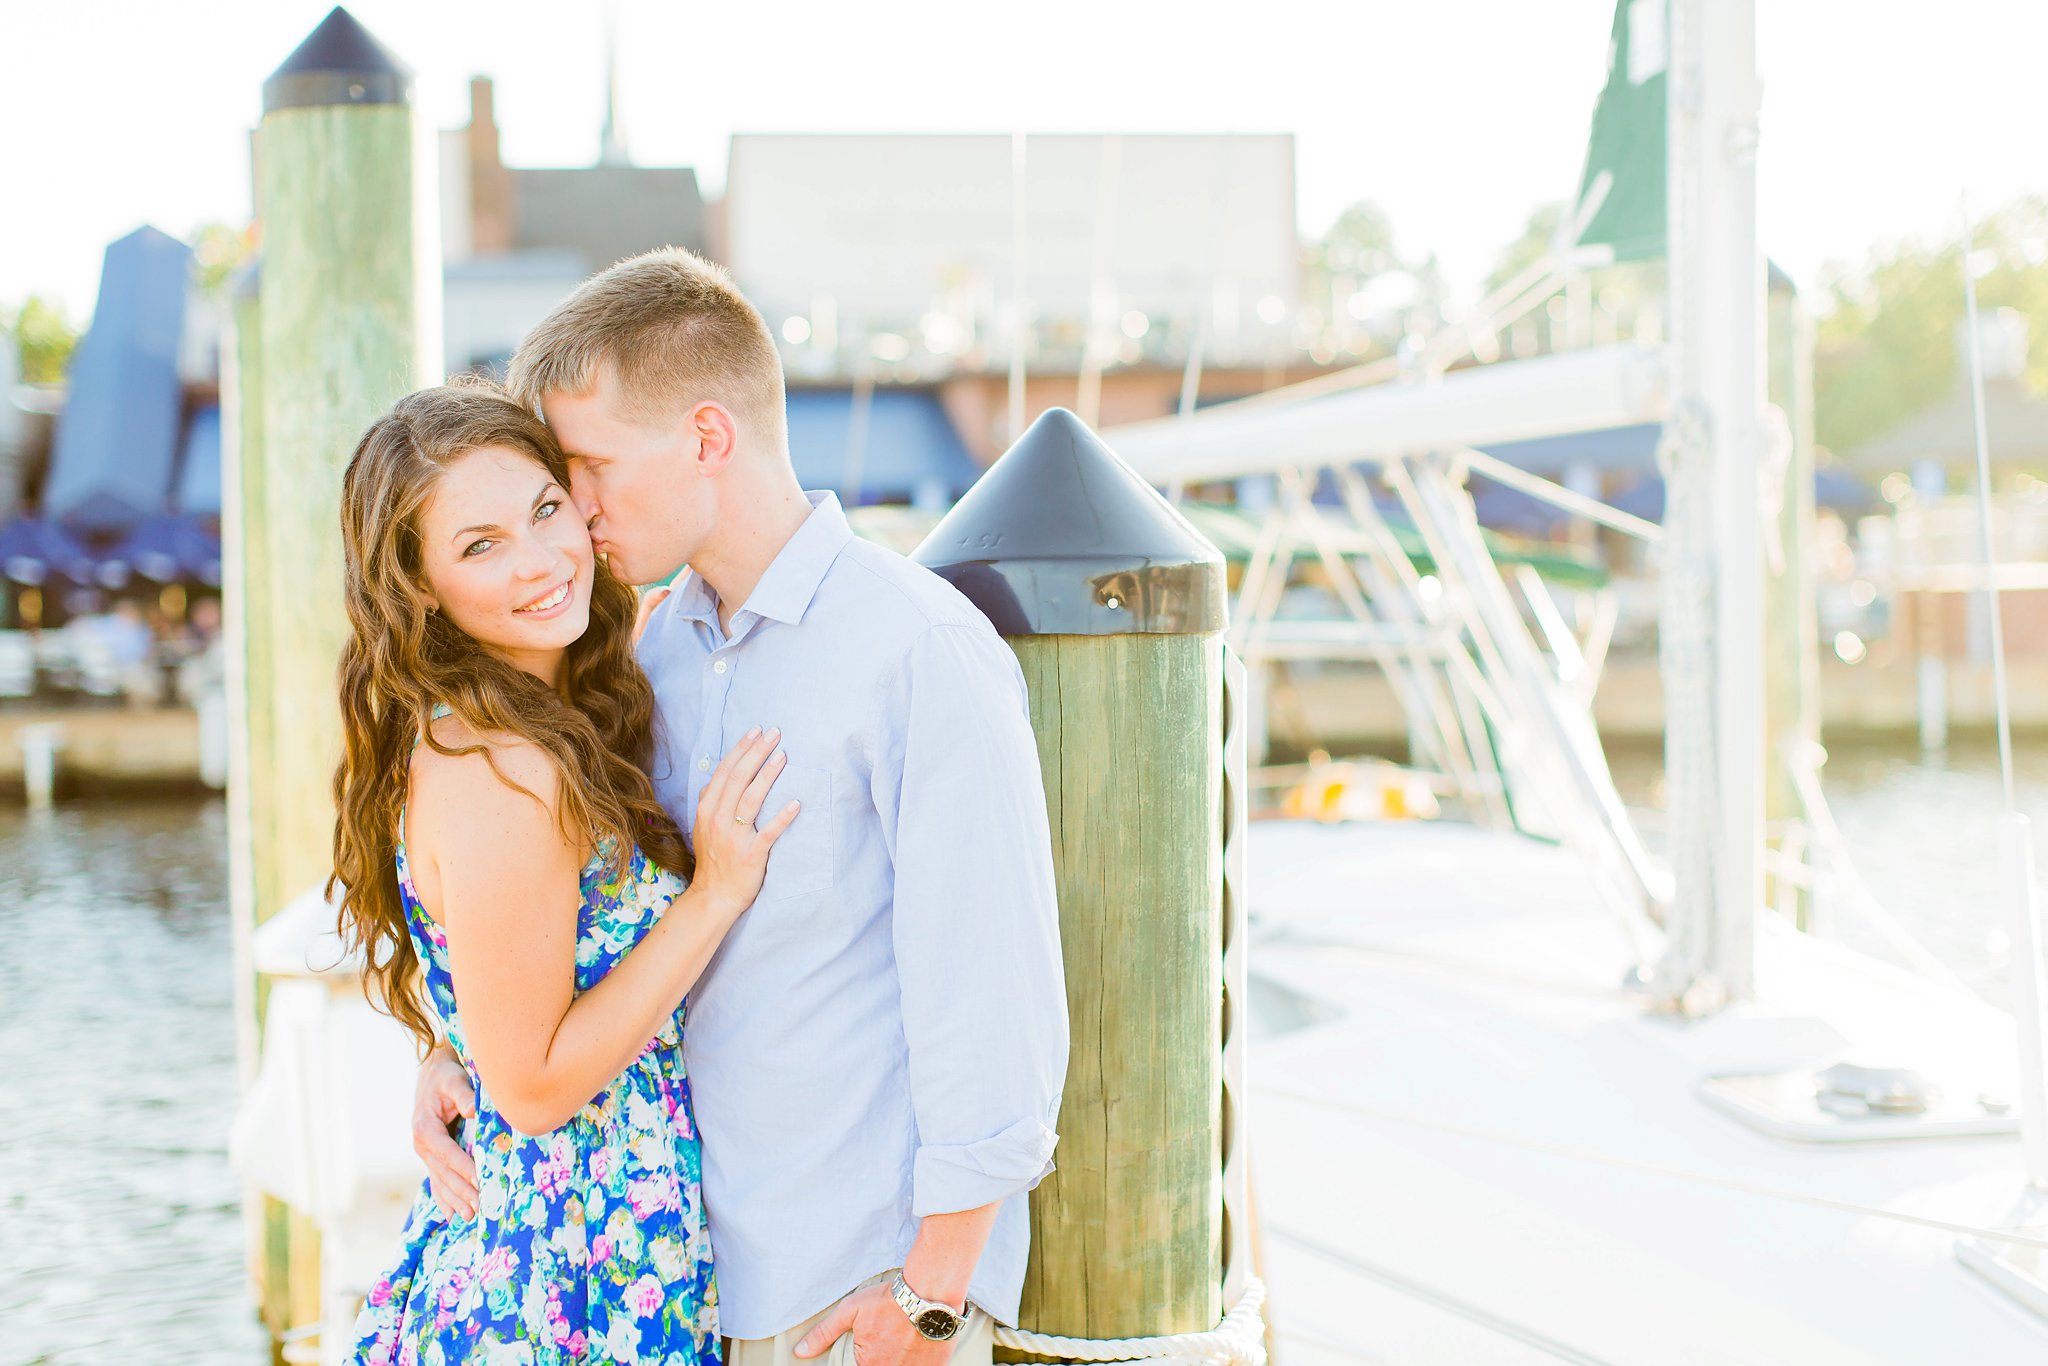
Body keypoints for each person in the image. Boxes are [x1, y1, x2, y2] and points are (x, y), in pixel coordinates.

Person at [411, 248, 1070, 1366]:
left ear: (706, 439)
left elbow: (993, 1002)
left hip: (856, 1296)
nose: (574, 510)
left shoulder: (918, 649)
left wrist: (932, 1295)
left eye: (588, 467)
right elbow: (546, 917)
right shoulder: (644, 654)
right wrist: (450, 1043)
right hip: (676, 1287)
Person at [331, 382, 799, 1365]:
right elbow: (535, 1084)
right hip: (560, 1281)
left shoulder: (548, 714)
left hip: (593, 1253)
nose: (540, 560)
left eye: (545, 509)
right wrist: (713, 892)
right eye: (479, 545)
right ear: (419, 585)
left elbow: (500, 978)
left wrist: (446, 1045)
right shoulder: (503, 766)